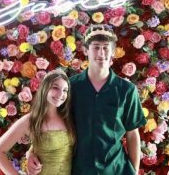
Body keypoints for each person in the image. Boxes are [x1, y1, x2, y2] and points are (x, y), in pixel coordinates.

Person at [27, 24, 147, 175]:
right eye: (96, 47)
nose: (101, 53)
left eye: (106, 47)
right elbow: (50, 119)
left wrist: (134, 171)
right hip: (80, 169)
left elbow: (132, 134)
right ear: (85, 50)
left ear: (113, 52)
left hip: (116, 169)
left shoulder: (127, 91)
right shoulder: (70, 87)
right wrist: (31, 151)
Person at [0, 69, 75, 175]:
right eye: (55, 87)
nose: (60, 94)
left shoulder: (67, 117)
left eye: (65, 90)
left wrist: (30, 153)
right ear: (45, 89)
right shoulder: (31, 120)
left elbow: (47, 144)